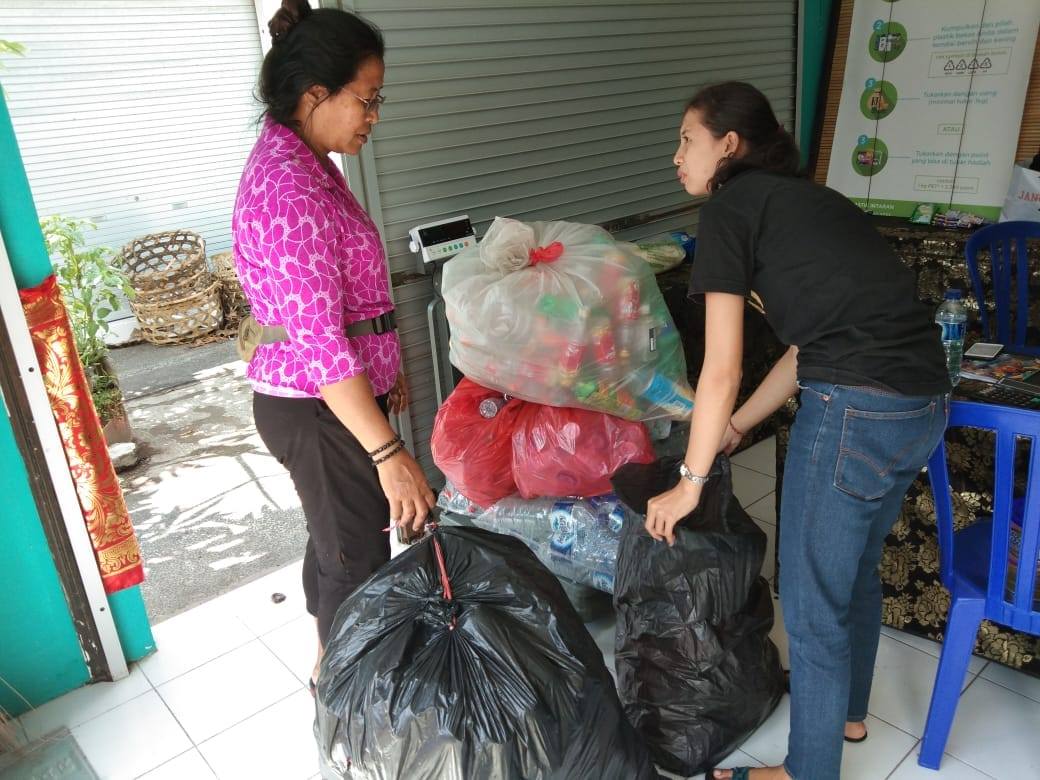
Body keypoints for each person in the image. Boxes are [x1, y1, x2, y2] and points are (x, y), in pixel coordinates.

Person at [644, 82, 951, 780]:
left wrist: (688, 484)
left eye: (685, 139)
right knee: (855, 574)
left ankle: (809, 770)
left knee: (813, 603)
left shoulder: (729, 209)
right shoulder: (814, 202)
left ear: (728, 144)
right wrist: (740, 429)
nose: (675, 157)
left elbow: (718, 370)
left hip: (856, 410)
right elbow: (802, 347)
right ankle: (846, 713)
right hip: (922, 405)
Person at [232, 0, 434, 692]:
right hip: (319, 410)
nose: (374, 116)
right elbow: (319, 345)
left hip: (337, 398)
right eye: (367, 100)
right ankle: (353, 709)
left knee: (339, 543)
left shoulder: (312, 163)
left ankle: (333, 667)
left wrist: (389, 370)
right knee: (355, 563)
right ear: (316, 95)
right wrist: (390, 454)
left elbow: (349, 302)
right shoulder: (289, 188)